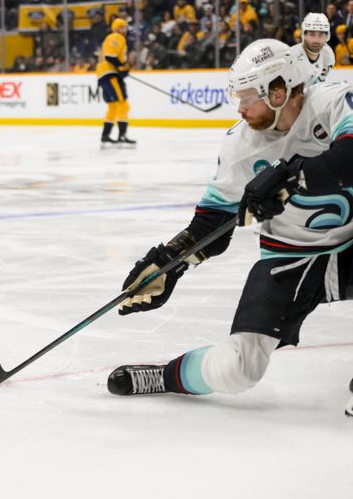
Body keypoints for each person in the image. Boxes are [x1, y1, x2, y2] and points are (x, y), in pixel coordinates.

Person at [106, 39, 353, 417]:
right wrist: (170, 261)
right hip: (290, 255)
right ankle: (164, 376)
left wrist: (293, 177)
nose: (240, 107)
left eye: (248, 97)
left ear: (279, 89)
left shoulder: (333, 102)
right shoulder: (241, 145)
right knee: (238, 369)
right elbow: (214, 219)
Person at [96, 18, 134, 148]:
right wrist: (122, 67)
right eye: (122, 27)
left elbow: (113, 57)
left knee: (112, 106)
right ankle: (122, 135)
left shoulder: (112, 37)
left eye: (125, 27)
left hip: (104, 75)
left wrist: (123, 67)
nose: (125, 30)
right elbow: (110, 56)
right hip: (110, 74)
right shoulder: (117, 37)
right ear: (117, 28)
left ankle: (105, 135)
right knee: (123, 104)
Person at [291, 12, 334, 86]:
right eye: (311, 34)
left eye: (321, 35)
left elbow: (318, 85)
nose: (316, 40)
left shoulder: (328, 54)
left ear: (327, 36)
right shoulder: (291, 56)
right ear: (303, 35)